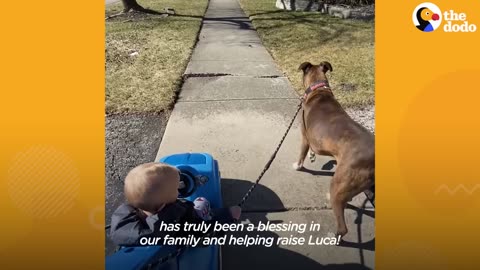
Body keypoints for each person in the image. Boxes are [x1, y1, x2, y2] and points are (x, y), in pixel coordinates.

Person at [109, 162, 241, 246]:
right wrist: (228, 216)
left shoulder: (124, 219)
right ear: (162, 206)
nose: (179, 190)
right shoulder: (175, 219)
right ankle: (206, 211)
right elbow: (202, 233)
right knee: (201, 204)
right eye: (176, 189)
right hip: (191, 237)